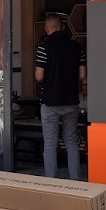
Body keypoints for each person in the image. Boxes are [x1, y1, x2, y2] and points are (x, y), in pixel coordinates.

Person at [35, 13, 86, 179]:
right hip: (71, 101)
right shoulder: (77, 47)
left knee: (50, 143)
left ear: (47, 29)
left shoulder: (44, 47)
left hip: (50, 102)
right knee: (71, 141)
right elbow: (82, 75)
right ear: (63, 27)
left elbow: (39, 76)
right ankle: (75, 181)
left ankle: (51, 183)